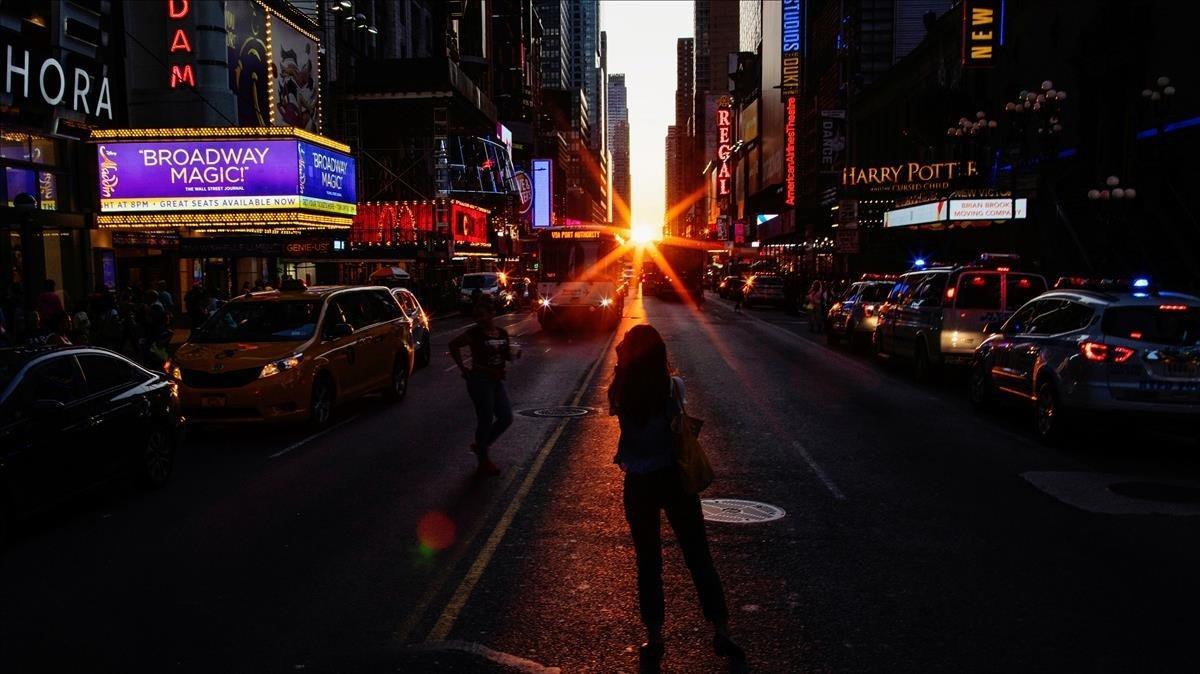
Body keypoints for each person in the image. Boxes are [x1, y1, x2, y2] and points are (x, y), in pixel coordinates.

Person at [607, 325, 743, 672]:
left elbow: (620, 379)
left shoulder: (620, 391)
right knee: (698, 556)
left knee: (648, 563)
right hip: (675, 480)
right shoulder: (673, 386)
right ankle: (721, 630)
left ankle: (655, 637)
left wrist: (623, 361)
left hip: (640, 484)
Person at [448, 295, 517, 476]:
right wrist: (463, 368)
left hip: (496, 380)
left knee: (506, 417)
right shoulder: (474, 334)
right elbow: (453, 345)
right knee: (485, 419)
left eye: (482, 315)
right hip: (480, 380)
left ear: (492, 313)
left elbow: (506, 355)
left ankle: (481, 445)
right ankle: (483, 461)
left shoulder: (502, 333)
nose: (479, 319)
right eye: (476, 315)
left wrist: (514, 355)